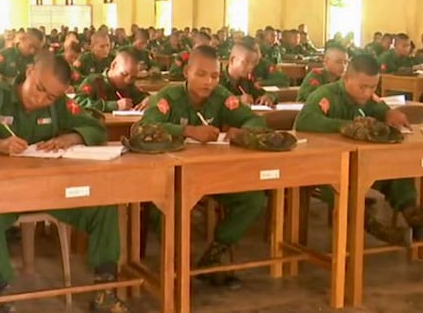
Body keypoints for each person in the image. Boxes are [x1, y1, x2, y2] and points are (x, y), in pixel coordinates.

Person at [0, 53, 128, 313]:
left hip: (48, 191)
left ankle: (105, 290)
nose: (41, 99)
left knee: (104, 205)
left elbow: (96, 127)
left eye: (50, 97)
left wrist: (72, 138)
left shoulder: (59, 104)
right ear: (30, 70)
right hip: (1, 194)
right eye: (39, 89)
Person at [295, 54, 423, 244]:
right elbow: (304, 121)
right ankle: (376, 228)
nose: (367, 93)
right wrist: (344, 126)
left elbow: (381, 108)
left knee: (396, 171)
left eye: (373, 87)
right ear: (346, 78)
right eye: (362, 87)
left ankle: (417, 221)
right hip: (324, 166)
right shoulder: (326, 95)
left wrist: (390, 113)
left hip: (361, 163)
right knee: (342, 183)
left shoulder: (367, 98)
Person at [139, 45, 267, 289]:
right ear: (187, 72)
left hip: (212, 174)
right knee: (164, 204)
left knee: (253, 199)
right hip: (171, 178)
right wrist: (187, 131)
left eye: (215, 76)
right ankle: (175, 263)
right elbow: (144, 128)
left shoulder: (221, 97)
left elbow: (254, 119)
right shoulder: (169, 97)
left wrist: (243, 132)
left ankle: (212, 257)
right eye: (201, 74)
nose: (209, 82)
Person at [75, 50, 149, 112]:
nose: (127, 80)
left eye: (133, 77)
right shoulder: (94, 81)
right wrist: (113, 106)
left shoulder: (129, 86)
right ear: (113, 65)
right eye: (124, 74)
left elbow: (143, 97)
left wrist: (148, 100)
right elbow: (77, 103)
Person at [220, 39, 277, 106]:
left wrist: (268, 97)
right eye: (246, 62)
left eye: (253, 63)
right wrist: (238, 99)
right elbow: (212, 103)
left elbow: (270, 93)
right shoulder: (217, 79)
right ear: (233, 59)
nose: (251, 67)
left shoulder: (248, 80)